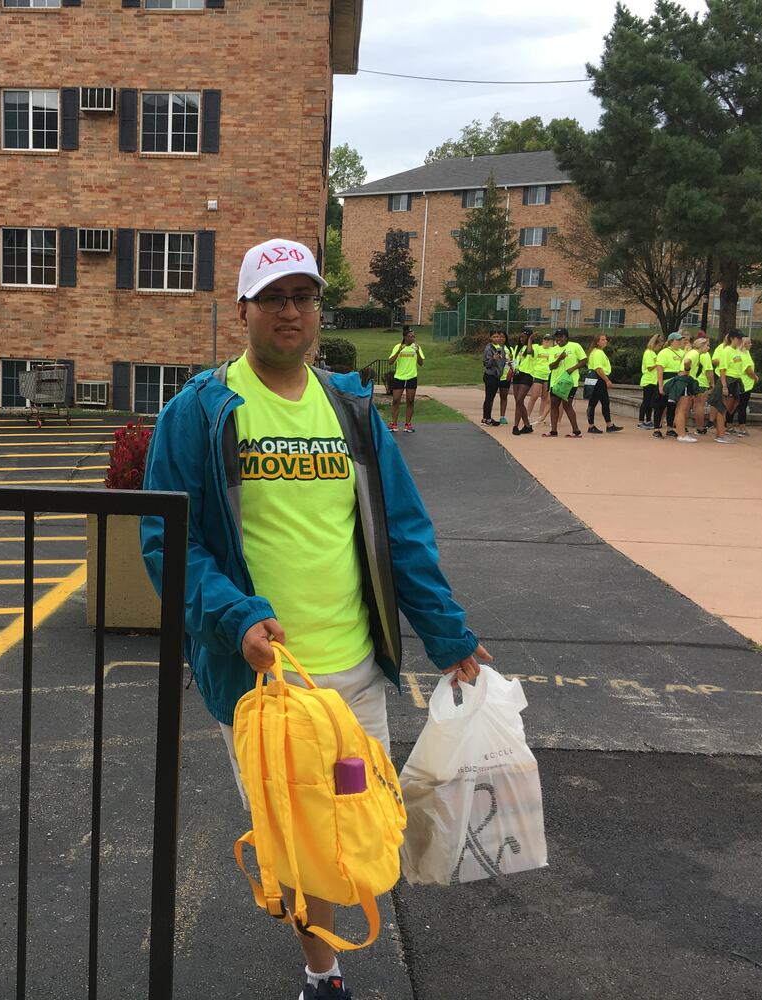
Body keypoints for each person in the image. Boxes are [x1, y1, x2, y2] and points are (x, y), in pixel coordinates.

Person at [140, 237, 488, 1000]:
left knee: (354, 829)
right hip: (266, 688)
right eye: (273, 298)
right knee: (296, 845)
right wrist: (234, 619)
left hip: (357, 679)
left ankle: (325, 950)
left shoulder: (351, 410)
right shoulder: (198, 412)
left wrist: (449, 635)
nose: (289, 311)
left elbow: (402, 533)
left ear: (316, 309)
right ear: (243, 311)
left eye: (302, 297)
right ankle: (322, 974)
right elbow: (168, 539)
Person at [545, 328, 584, 437]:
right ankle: (553, 431)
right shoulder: (553, 350)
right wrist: (559, 359)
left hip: (570, 382)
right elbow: (551, 366)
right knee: (554, 404)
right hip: (555, 382)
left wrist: (573, 368)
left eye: (561, 336)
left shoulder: (575, 346)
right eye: (557, 336)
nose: (559, 339)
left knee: (567, 405)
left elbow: (584, 360)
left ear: (566, 337)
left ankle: (576, 431)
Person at [386, 325, 424, 434]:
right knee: (396, 400)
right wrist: (398, 351)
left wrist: (417, 352)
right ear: (405, 337)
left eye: (414, 337)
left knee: (410, 401)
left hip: (412, 377)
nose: (413, 338)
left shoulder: (416, 347)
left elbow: (421, 363)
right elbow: (390, 362)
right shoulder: (398, 346)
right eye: (411, 337)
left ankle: (407, 425)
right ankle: (394, 424)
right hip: (399, 377)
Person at [584, 333, 622, 433]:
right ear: (597, 342)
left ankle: (609, 424)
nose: (605, 341)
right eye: (603, 339)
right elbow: (598, 368)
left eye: (605, 339)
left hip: (596, 379)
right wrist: (607, 380)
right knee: (594, 402)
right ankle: (591, 425)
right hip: (598, 379)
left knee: (604, 402)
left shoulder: (598, 352)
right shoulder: (597, 353)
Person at [653, 332, 687, 439]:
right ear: (671, 341)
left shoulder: (683, 353)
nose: (680, 342)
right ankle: (656, 429)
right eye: (678, 340)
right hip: (667, 381)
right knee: (661, 406)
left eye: (680, 340)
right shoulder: (664, 352)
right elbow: (660, 369)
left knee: (672, 406)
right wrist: (660, 385)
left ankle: (670, 428)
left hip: (677, 382)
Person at [510, 329, 537, 435]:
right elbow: (516, 360)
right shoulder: (518, 347)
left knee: (520, 400)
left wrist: (530, 339)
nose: (521, 339)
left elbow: (530, 352)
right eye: (520, 337)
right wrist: (512, 364)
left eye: (524, 337)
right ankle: (527, 425)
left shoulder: (534, 347)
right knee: (518, 401)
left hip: (527, 375)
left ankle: (515, 426)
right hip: (517, 374)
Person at [526, 329, 554, 426]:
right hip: (538, 374)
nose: (547, 342)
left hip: (548, 375)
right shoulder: (538, 348)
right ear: (542, 341)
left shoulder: (553, 350)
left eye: (549, 340)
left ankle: (540, 417)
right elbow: (529, 351)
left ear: (552, 342)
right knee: (534, 396)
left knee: (545, 398)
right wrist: (530, 340)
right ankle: (527, 415)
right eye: (545, 340)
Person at [481, 330, 507, 426]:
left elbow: (502, 361)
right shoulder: (489, 348)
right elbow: (486, 363)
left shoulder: (501, 348)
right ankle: (486, 418)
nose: (497, 338)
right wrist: (493, 359)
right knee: (489, 397)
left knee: (491, 397)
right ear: (491, 338)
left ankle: (488, 417)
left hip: (497, 375)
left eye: (498, 337)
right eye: (494, 337)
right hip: (490, 375)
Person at [687, 336, 712, 435]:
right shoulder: (705, 355)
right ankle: (700, 428)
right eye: (707, 345)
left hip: (691, 381)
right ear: (701, 345)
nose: (709, 347)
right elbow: (708, 370)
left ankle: (680, 425)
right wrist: (712, 383)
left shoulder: (691, 353)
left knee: (687, 405)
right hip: (701, 383)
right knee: (699, 406)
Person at [637, 332, 663, 429]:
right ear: (655, 344)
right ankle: (641, 421)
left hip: (653, 380)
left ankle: (648, 420)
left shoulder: (653, 353)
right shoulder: (648, 353)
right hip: (648, 380)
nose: (659, 348)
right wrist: (658, 363)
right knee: (646, 401)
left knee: (650, 402)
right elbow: (649, 368)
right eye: (659, 345)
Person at [732, 337, 757, 436]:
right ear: (745, 344)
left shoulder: (741, 353)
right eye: (749, 343)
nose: (751, 345)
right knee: (742, 406)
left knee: (735, 404)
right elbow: (748, 370)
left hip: (740, 382)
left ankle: (729, 425)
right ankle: (742, 428)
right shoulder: (744, 355)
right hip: (744, 384)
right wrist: (755, 377)